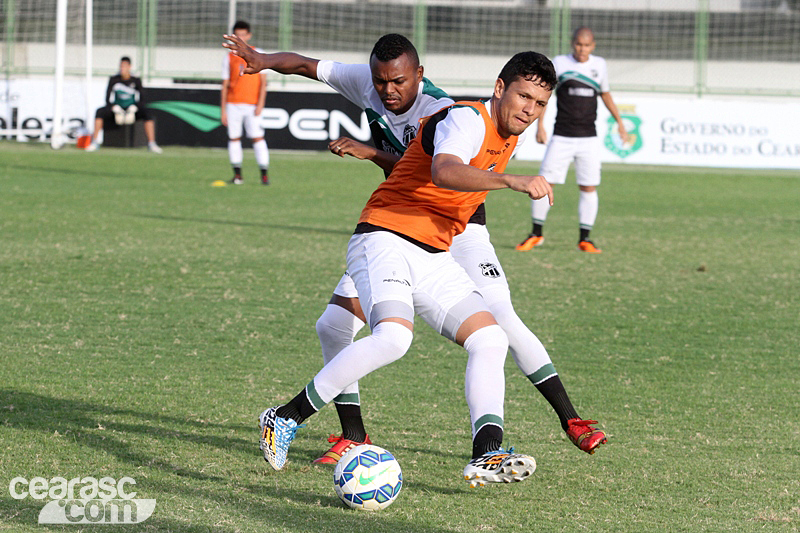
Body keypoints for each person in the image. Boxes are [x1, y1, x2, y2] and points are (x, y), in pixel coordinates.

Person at [223, 34, 607, 468]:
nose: (529, 109)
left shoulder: (494, 123)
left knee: (491, 337)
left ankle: (487, 453)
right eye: (523, 97)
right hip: (386, 235)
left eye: (538, 103)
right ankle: (285, 417)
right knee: (393, 337)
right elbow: (444, 171)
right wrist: (510, 180)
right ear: (500, 88)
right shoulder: (464, 119)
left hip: (437, 246)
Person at [516, 27, 628, 254]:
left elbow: (605, 94)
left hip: (588, 138)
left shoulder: (600, 65)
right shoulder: (560, 63)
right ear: (572, 43)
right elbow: (545, 94)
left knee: (588, 186)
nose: (582, 49)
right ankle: (536, 234)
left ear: (593, 46)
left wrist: (620, 122)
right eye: (578, 44)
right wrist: (540, 125)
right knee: (544, 183)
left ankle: (585, 239)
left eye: (586, 45)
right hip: (562, 136)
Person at [221, 20, 269, 185]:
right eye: (237, 35)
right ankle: (237, 175)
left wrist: (260, 103)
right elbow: (225, 85)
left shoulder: (258, 53)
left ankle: (264, 174)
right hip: (233, 103)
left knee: (257, 138)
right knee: (234, 138)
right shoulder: (228, 58)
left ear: (248, 36)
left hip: (252, 104)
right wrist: (223, 110)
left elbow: (264, 82)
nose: (240, 38)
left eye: (243, 35)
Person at [86, 56, 162, 153]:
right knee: (99, 112)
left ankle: (152, 143)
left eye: (124, 66)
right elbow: (107, 98)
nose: (122, 68)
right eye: (121, 66)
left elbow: (142, 98)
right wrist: (114, 107)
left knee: (148, 113)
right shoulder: (114, 79)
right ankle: (95, 142)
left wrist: (135, 107)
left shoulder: (135, 80)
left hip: (132, 108)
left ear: (129, 67)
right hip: (117, 108)